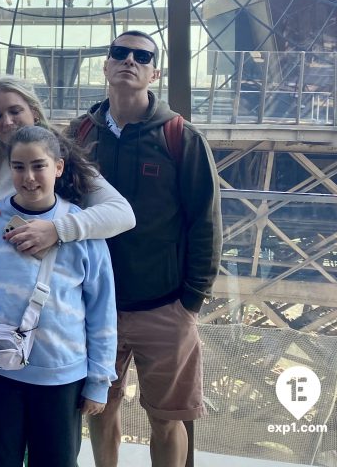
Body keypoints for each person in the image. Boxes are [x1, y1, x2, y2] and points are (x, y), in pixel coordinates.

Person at [0, 75, 134, 422]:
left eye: (15, 111)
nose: (6, 122)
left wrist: (57, 230)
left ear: (34, 111)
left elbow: (122, 214)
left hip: (48, 313)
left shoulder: (62, 159)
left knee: (40, 416)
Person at [67, 30, 222, 467]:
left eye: (142, 56)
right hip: (95, 307)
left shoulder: (181, 137)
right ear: (106, 64)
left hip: (164, 306)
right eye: (120, 52)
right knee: (101, 407)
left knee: (167, 418)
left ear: (155, 72)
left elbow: (205, 221)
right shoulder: (79, 134)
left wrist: (190, 301)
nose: (129, 60)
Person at [0, 125, 117, 467]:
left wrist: (99, 380)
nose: (28, 177)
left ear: (58, 167)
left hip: (60, 376)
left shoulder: (82, 228)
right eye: (19, 167)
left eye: (39, 166)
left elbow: (102, 309)